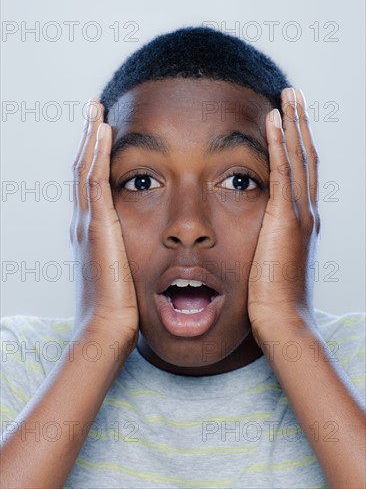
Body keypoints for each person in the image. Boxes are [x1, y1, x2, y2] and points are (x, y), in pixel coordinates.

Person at [1, 27, 365, 488]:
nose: (188, 225)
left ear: (295, 204)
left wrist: (286, 321)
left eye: (238, 181)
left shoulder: (354, 358)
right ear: (92, 206)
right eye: (140, 182)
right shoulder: (23, 363)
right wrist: (101, 331)